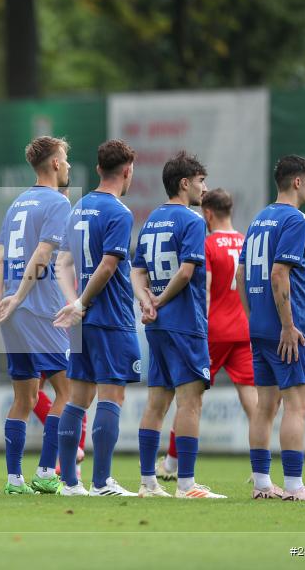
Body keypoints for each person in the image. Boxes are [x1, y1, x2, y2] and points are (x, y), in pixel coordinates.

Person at [238, 155, 305, 502]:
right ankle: (294, 486)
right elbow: (280, 274)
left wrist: (255, 317)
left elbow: (241, 273)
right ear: (297, 182)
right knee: (297, 406)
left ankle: (262, 483)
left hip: (261, 328)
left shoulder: (259, 219)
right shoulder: (296, 219)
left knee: (265, 406)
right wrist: (288, 326)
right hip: (288, 331)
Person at [131, 152, 225, 499]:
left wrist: (146, 300)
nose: (205, 187)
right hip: (184, 322)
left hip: (156, 326)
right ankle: (186, 484)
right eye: (201, 181)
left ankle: (147, 482)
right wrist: (159, 301)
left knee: (156, 403)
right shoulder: (193, 220)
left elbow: (137, 270)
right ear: (185, 183)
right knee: (190, 402)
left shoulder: (152, 219)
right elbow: (186, 272)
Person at [54, 139, 140, 497]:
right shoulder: (119, 212)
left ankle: (69, 483)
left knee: (77, 398)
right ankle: (102, 482)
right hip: (110, 316)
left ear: (98, 169)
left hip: (82, 319)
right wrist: (82, 302)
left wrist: (74, 303)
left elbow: (61, 264)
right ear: (127, 171)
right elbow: (108, 265)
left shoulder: (78, 208)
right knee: (111, 396)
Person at [0, 136, 76, 495]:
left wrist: (1, 301)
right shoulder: (58, 202)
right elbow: (42, 256)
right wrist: (18, 299)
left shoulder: (17, 203)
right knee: (69, 391)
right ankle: (45, 472)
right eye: (65, 159)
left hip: (13, 310)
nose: (68, 165)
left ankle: (14, 480)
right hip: (39, 308)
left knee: (24, 397)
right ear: (55, 163)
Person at [157, 188, 257, 480]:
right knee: (252, 400)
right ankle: (260, 468)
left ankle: (172, 465)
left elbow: (206, 291)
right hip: (243, 330)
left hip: (213, 331)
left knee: (190, 398)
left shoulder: (208, 244)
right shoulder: (245, 242)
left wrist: (199, 328)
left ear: (208, 213)